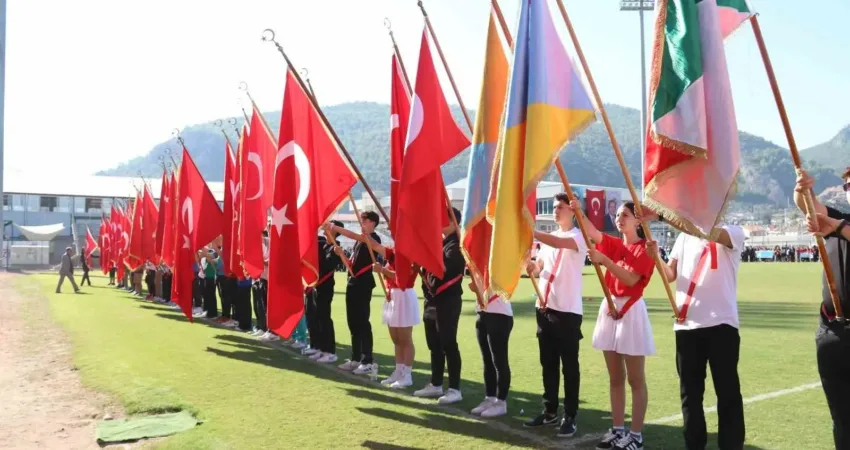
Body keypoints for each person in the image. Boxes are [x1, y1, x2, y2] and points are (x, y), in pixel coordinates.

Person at [646, 211, 747, 450]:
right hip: (687, 325)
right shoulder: (683, 238)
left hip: (722, 325)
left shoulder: (733, 232)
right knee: (690, 396)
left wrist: (661, 215)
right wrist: (655, 257)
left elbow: (705, 231)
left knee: (728, 394)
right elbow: (670, 274)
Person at [577, 200, 655, 450]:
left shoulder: (647, 248)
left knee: (635, 378)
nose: (619, 219)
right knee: (615, 377)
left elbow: (632, 279)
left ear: (638, 221)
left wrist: (604, 261)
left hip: (631, 311)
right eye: (618, 215)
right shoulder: (615, 244)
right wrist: (578, 209)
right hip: (610, 307)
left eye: (626, 215)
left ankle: (636, 435)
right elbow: (591, 231)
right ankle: (618, 429)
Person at [523, 193, 587, 436]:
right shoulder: (549, 241)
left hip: (567, 312)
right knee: (548, 364)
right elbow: (540, 265)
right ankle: (549, 411)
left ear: (572, 211)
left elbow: (560, 244)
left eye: (560, 207)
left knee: (569, 367)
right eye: (554, 207)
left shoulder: (578, 237)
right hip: (545, 308)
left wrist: (532, 232)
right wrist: (533, 267)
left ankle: (570, 415)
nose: (555, 210)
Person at [795, 169, 850, 449]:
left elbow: (833, 224)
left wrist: (838, 228)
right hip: (832, 331)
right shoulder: (840, 219)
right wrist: (802, 189)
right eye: (848, 184)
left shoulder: (840, 224)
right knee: (841, 419)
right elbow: (809, 206)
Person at [333, 221, 421, 389]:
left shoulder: (411, 253)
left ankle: (407, 374)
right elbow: (371, 243)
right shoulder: (392, 252)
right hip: (392, 295)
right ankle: (398, 370)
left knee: (405, 338)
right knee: (395, 338)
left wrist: (384, 271)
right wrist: (338, 229)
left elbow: (403, 277)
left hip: (404, 294)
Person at [413, 207, 466, 405]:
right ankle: (436, 384)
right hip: (432, 300)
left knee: (448, 344)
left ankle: (454, 388)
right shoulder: (442, 243)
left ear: (454, 222)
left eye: (445, 219)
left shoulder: (456, 244)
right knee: (434, 344)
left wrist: (428, 252)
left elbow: (444, 270)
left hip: (448, 300)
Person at [336, 211, 382, 376]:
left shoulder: (373, 238)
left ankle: (367, 359)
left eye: (364, 220)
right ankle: (355, 358)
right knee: (353, 322)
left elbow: (357, 237)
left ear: (372, 222)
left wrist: (335, 228)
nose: (361, 223)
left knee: (362, 321)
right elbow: (351, 264)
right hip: (353, 282)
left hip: (363, 284)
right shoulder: (359, 242)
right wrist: (341, 255)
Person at [309, 223, 345, 364]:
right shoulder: (323, 244)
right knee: (317, 316)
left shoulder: (336, 247)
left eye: (330, 227)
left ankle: (330, 351)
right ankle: (320, 348)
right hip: (317, 285)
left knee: (324, 318)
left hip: (326, 286)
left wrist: (336, 253)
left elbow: (328, 265)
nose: (326, 229)